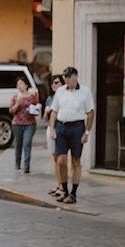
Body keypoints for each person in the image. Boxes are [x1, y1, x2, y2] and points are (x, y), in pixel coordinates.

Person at [49, 66, 95, 204]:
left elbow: (90, 113)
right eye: (65, 78)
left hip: (77, 127)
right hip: (61, 127)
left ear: (75, 77)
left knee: (76, 161)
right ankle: (65, 190)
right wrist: (52, 128)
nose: (66, 80)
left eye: (68, 78)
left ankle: (73, 194)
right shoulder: (60, 92)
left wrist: (86, 132)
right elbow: (54, 111)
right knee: (61, 160)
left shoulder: (85, 92)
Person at [9, 77, 40, 174]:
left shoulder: (32, 97)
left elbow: (37, 109)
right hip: (17, 124)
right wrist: (18, 103)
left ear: (26, 85)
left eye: (21, 84)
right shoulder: (15, 97)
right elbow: (11, 111)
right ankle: (17, 162)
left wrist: (33, 110)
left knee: (27, 143)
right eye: (18, 84)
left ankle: (27, 166)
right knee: (18, 144)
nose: (19, 86)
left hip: (30, 124)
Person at [42, 74, 65, 196]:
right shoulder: (50, 98)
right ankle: (59, 184)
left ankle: (63, 186)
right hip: (50, 129)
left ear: (62, 83)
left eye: (56, 82)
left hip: (61, 129)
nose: (54, 85)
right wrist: (46, 112)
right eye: (52, 83)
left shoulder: (65, 97)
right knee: (55, 158)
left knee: (61, 159)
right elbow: (45, 118)